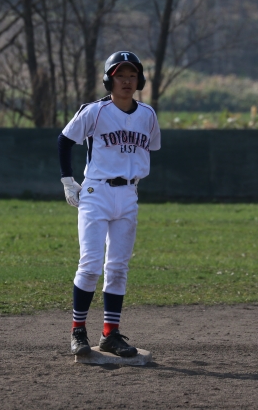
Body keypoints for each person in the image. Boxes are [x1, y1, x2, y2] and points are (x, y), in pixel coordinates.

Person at [58, 51, 161, 357]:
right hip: (97, 192)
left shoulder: (148, 115)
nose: (126, 81)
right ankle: (78, 332)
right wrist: (68, 181)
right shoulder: (95, 111)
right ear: (108, 81)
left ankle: (110, 334)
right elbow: (64, 140)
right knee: (90, 265)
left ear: (139, 80)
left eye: (132, 76)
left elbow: (150, 147)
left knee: (117, 268)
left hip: (128, 194)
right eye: (120, 76)